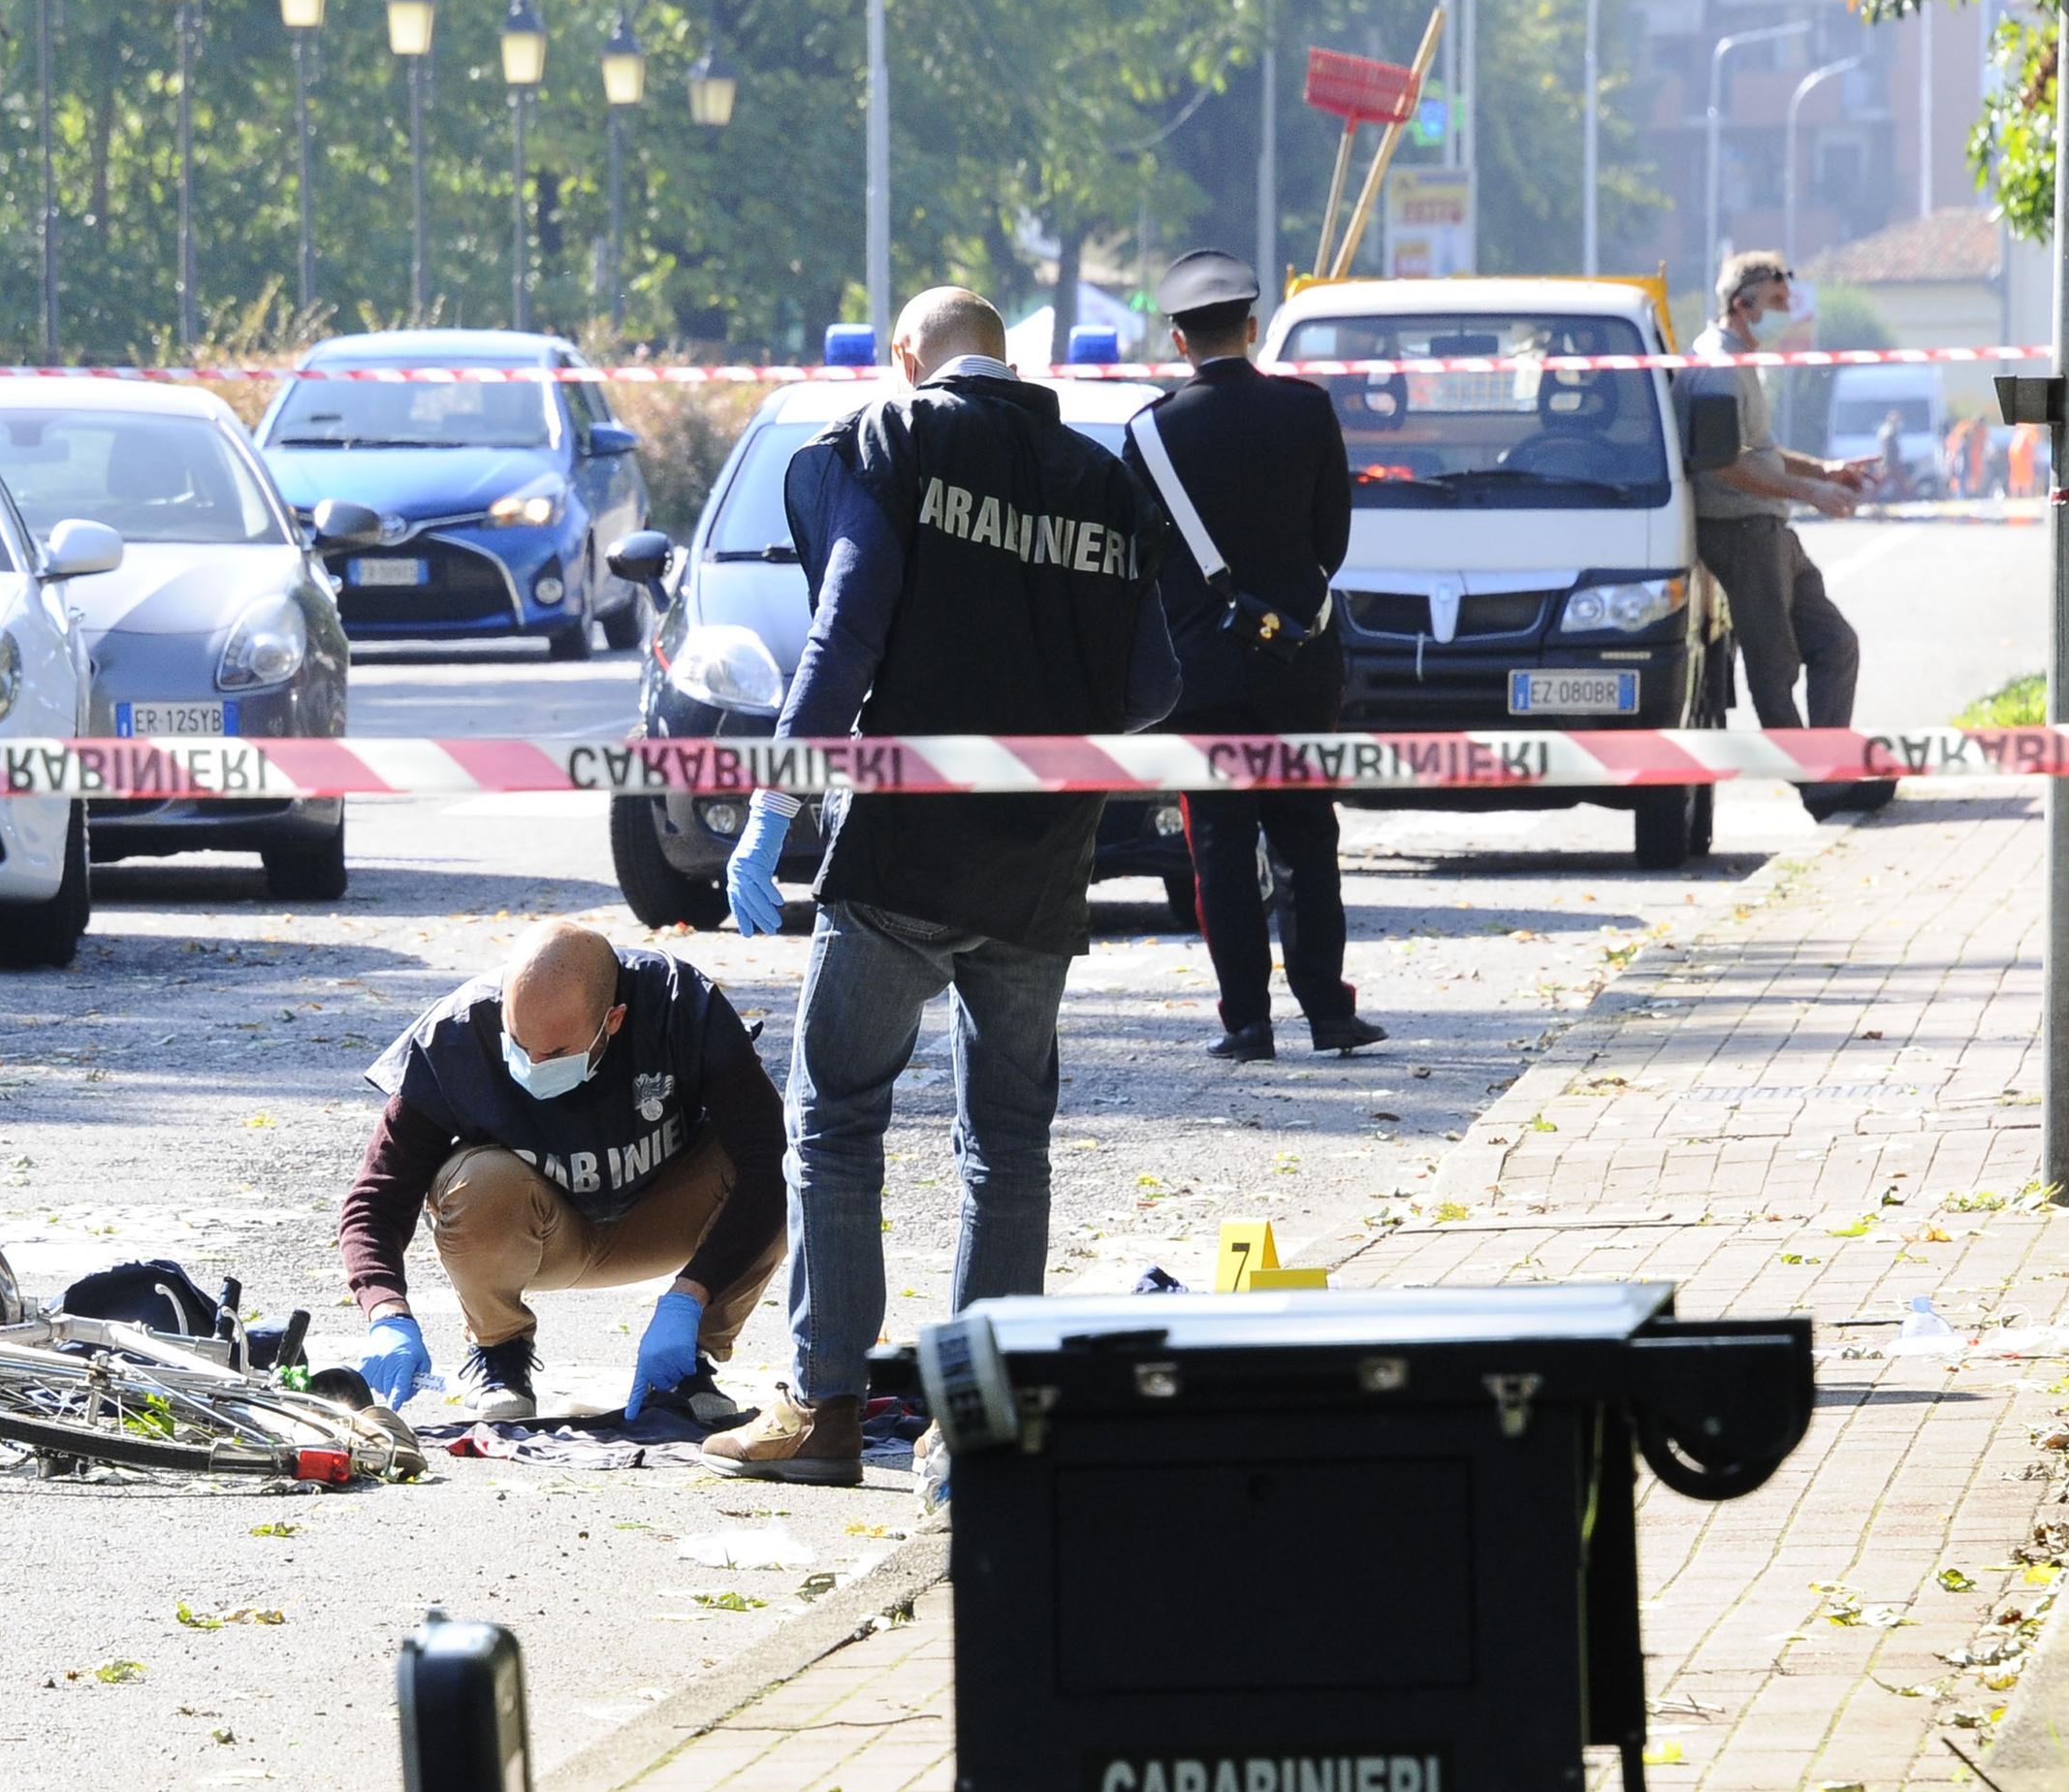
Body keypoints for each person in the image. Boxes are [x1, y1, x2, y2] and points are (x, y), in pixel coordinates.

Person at [697, 286, 1180, 1487]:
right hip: (1043, 863)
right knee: (1007, 1144)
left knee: (835, 1117)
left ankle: (822, 1413)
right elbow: (1156, 687)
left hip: (903, 859)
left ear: (909, 358)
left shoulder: (896, 438)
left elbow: (845, 627)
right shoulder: (1104, 479)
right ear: (1005, 358)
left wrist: (775, 802)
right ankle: (977, 1430)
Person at [339, 922, 780, 1426]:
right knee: (477, 1179)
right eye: (519, 1043)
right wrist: (386, 1311)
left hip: (661, 1217)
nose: (532, 1062)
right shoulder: (457, 1035)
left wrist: (691, 1297)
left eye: (554, 1053)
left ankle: (686, 1363)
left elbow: (768, 1159)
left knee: (793, 1171)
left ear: (613, 1021)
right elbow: (376, 1198)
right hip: (542, 1234)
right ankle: (500, 1353)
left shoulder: (680, 1005)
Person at [1125, 247, 1383, 1064]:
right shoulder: (1307, 411)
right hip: (1300, 663)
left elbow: (1141, 559)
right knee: (1309, 839)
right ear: (1252, 326)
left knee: (1220, 852)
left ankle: (1246, 1020)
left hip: (1201, 677)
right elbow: (1332, 539)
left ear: (1177, 341)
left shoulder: (1150, 434)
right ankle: (1328, 1011)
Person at [1683, 249, 1886, 820]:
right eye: (1777, 304)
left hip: (1767, 525)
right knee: (1775, 669)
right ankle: (1819, 791)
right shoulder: (1716, 368)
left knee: (1834, 643)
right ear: (1743, 305)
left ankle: (1827, 766)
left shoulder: (1740, 360)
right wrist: (1811, 493)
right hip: (1740, 531)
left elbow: (1759, 452)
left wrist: (1822, 471)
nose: (1786, 314)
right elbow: (1722, 463)